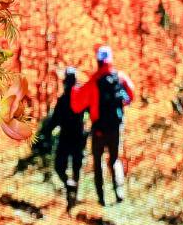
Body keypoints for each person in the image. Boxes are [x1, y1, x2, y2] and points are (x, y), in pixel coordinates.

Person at [71, 45, 136, 205]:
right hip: (116, 127)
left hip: (99, 129)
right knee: (114, 160)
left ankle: (101, 198)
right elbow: (130, 96)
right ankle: (119, 192)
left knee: (98, 162)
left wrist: (73, 88)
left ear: (98, 61)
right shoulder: (120, 77)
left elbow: (77, 106)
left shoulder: (94, 81)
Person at [38, 67, 89, 212]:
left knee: (60, 167)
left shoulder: (63, 99)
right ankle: (72, 196)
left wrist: (46, 132)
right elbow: (92, 112)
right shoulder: (81, 98)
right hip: (79, 137)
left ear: (66, 81)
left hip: (66, 137)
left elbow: (55, 120)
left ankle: (69, 190)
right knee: (76, 168)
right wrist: (90, 130)